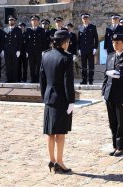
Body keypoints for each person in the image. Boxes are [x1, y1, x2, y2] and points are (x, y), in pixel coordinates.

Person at [39, 30, 75, 174]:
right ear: (64, 42)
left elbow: (42, 80)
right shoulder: (66, 57)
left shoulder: (46, 55)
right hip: (61, 100)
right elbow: (68, 83)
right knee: (60, 133)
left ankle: (52, 160)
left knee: (50, 132)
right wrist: (71, 101)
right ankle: (59, 162)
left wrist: (45, 96)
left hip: (49, 98)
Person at [102, 34, 123, 157]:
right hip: (109, 94)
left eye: (118, 42)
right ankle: (115, 145)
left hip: (121, 95)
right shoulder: (110, 56)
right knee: (112, 122)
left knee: (121, 122)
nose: (115, 45)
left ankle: (121, 146)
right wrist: (103, 92)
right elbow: (105, 76)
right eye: (113, 42)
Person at [78, 13, 98, 85]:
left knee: (91, 65)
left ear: (88, 19)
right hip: (83, 50)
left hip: (90, 50)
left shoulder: (92, 27)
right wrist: (79, 49)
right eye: (84, 18)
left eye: (86, 18)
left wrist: (95, 48)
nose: (85, 20)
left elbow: (96, 38)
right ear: (82, 19)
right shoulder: (80, 28)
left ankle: (90, 80)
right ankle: (84, 80)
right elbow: (79, 40)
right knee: (83, 65)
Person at [25, 15, 46, 83]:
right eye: (32, 20)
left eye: (35, 20)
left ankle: (38, 79)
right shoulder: (28, 30)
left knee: (39, 65)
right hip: (31, 51)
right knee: (32, 66)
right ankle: (32, 79)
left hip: (39, 51)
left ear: (38, 21)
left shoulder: (41, 30)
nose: (34, 21)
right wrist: (27, 51)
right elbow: (26, 42)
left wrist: (43, 51)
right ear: (31, 22)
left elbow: (43, 41)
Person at [3, 15, 22, 83]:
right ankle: (9, 79)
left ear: (15, 21)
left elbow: (20, 41)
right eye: (10, 20)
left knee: (14, 65)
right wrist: (3, 50)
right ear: (8, 21)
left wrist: (19, 50)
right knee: (8, 65)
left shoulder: (18, 30)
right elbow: (3, 41)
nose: (11, 21)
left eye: (12, 20)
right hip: (7, 51)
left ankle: (14, 79)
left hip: (15, 51)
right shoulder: (5, 29)